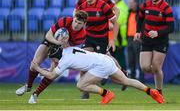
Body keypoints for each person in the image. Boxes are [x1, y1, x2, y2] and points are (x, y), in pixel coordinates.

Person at [30, 41, 164, 104]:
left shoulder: (65, 60)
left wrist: (37, 68)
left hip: (100, 65)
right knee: (125, 81)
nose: (52, 61)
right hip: (104, 59)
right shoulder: (68, 50)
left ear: (55, 56)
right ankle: (152, 91)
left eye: (52, 58)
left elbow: (52, 75)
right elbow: (55, 63)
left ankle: (107, 94)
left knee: (81, 85)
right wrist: (47, 67)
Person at [15, 11, 88, 98]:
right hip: (52, 40)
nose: (76, 25)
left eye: (79, 23)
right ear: (73, 18)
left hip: (63, 48)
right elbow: (48, 35)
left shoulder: (82, 35)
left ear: (84, 24)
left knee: (52, 73)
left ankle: (36, 94)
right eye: (75, 21)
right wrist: (57, 42)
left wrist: (61, 46)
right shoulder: (65, 21)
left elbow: (67, 47)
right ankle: (28, 86)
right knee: (34, 64)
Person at [134, 0, 174, 95]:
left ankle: (159, 92)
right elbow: (139, 19)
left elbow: (171, 28)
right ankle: (159, 73)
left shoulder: (167, 8)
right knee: (144, 67)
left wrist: (157, 32)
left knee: (156, 67)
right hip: (147, 40)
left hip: (161, 41)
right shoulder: (145, 5)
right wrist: (137, 32)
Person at [127, 0, 144, 81]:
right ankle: (132, 79)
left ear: (136, 3)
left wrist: (141, 37)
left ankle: (141, 78)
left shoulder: (140, 13)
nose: (130, 4)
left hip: (137, 38)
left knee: (139, 60)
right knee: (131, 59)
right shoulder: (129, 12)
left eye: (131, 3)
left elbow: (143, 25)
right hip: (129, 38)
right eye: (129, 3)